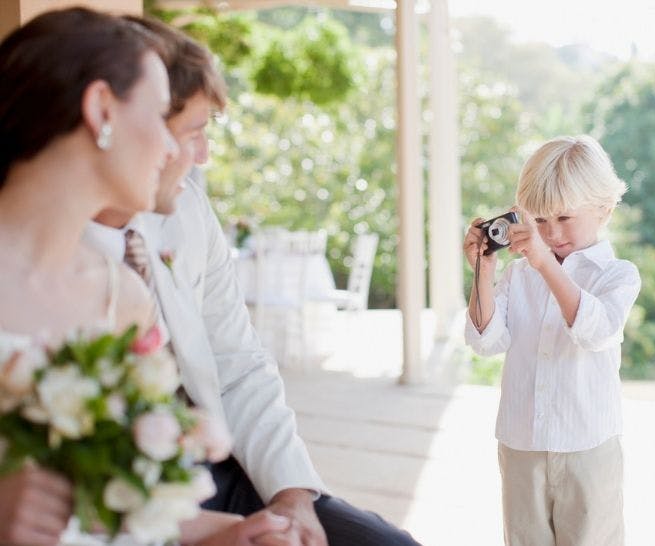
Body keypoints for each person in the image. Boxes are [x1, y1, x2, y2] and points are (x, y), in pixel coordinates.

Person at [88, 16, 421, 546]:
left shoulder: (186, 207)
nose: (203, 158)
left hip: (223, 469)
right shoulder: (53, 256)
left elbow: (238, 362)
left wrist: (291, 494)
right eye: (193, 132)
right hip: (111, 498)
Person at [0, 9, 291, 546]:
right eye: (160, 116)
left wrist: (233, 535)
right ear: (101, 110)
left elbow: (123, 509)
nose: (173, 147)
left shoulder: (123, 296)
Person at [463, 135, 641, 546]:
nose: (551, 233)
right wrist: (483, 273)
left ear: (604, 209)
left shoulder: (617, 275)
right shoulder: (519, 274)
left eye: (564, 218)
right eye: (539, 221)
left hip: (587, 446)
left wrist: (544, 264)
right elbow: (486, 341)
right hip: (521, 443)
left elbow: (596, 331)